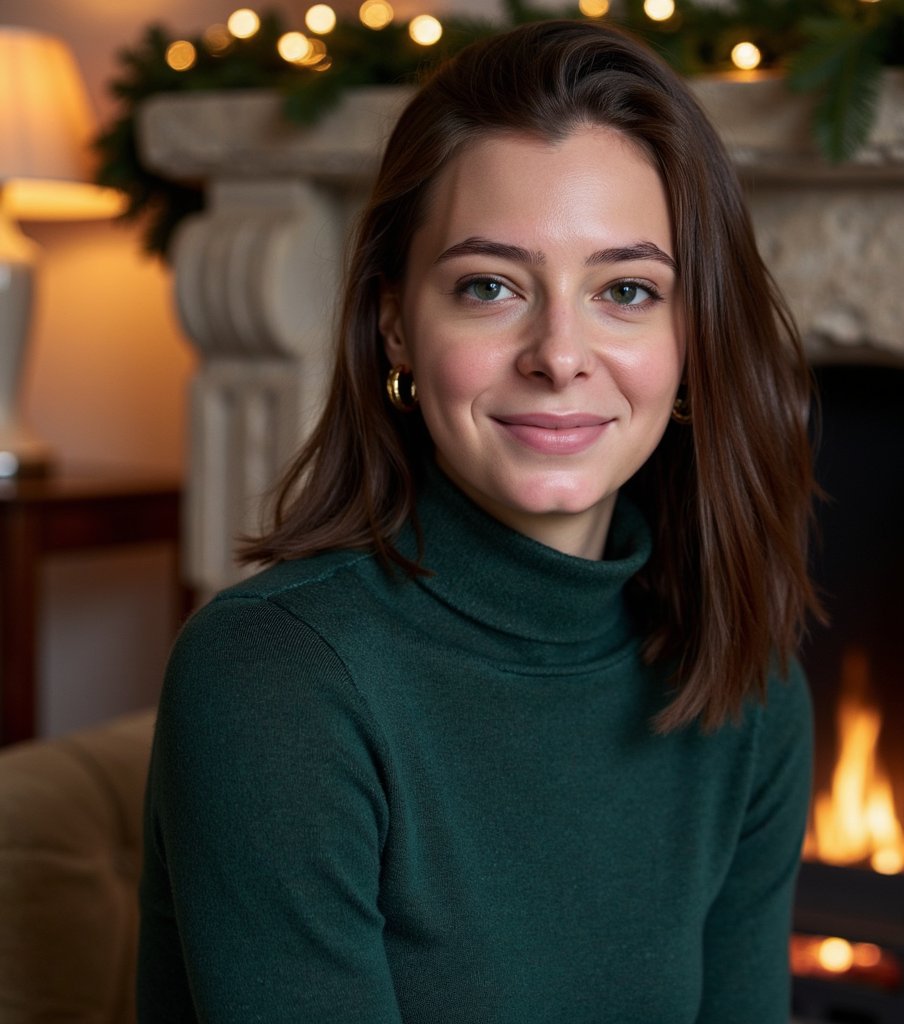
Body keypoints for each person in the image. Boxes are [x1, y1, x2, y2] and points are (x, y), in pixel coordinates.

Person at [137, 19, 818, 1023]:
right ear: (396, 323)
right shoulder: (271, 678)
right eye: (489, 286)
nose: (558, 352)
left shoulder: (747, 689)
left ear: (693, 341)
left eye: (626, 290)